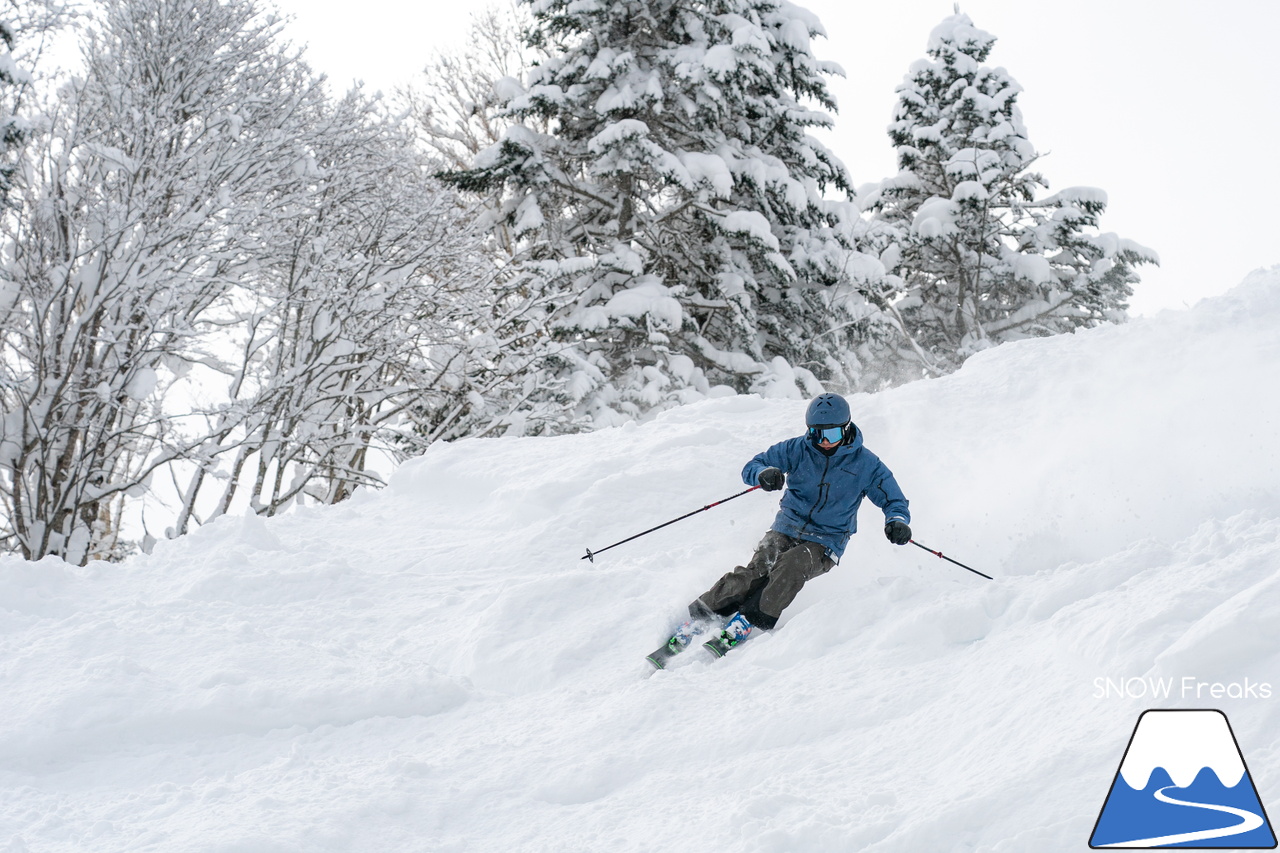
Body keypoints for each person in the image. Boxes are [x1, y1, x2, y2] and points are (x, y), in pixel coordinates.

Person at [675, 392, 912, 657]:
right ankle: (703, 613)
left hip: (826, 540)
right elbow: (753, 465)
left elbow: (894, 500)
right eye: (816, 433)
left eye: (831, 435)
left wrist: (897, 521)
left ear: (846, 429)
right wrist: (763, 473)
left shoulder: (867, 464)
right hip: (786, 527)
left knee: (791, 565)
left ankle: (750, 620)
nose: (823, 442)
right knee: (756, 570)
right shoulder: (797, 449)